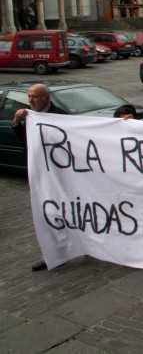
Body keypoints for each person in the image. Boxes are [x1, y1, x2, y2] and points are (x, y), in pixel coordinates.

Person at [12, 83, 69, 272]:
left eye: (34, 97)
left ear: (46, 98)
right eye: (29, 97)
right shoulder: (29, 117)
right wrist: (16, 123)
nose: (30, 100)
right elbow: (25, 145)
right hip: (41, 177)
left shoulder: (60, 115)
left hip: (62, 177)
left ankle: (79, 244)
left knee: (68, 212)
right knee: (46, 214)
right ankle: (51, 254)